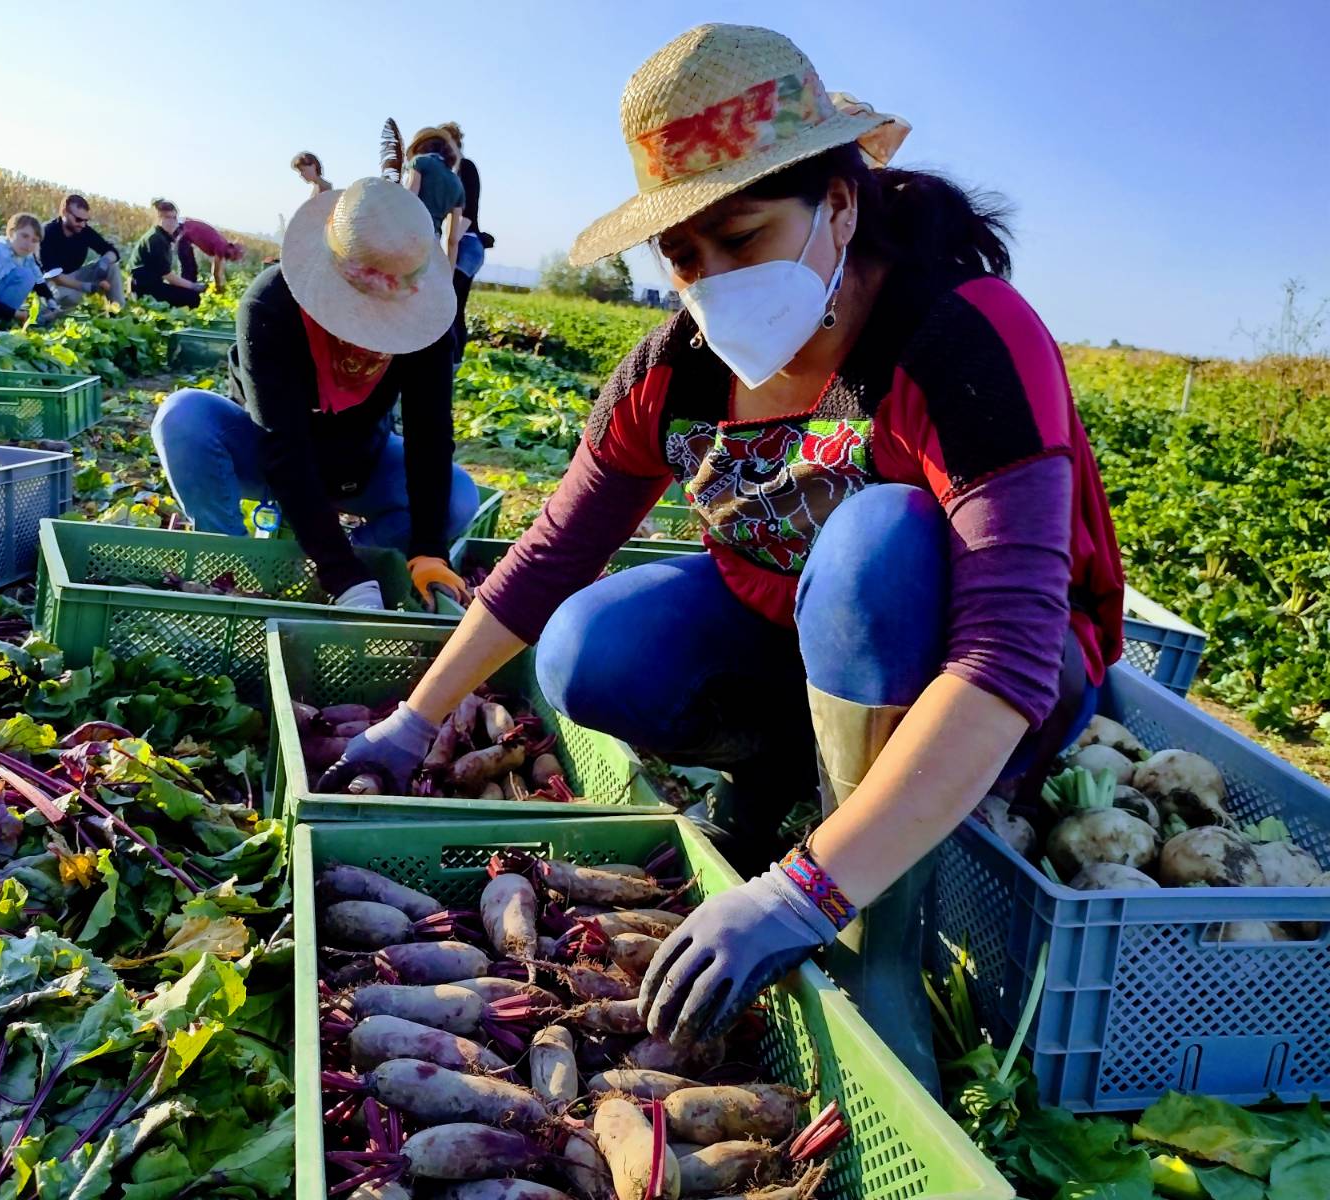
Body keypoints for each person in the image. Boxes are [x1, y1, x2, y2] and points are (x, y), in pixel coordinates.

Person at [318, 24, 1125, 1092]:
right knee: (589, 648)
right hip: (794, 655)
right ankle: (778, 779)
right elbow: (554, 552)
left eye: (743, 239)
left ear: (839, 204)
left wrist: (808, 895)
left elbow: (1005, 658)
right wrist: (414, 721)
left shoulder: (959, 339)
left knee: (876, 544)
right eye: (684, 257)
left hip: (982, 682)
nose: (713, 282)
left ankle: (875, 925)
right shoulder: (677, 372)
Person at [150, 177, 477, 611]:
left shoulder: (428, 326)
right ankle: (231, 566)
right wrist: (340, 574)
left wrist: (429, 550)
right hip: (266, 453)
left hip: (357, 463)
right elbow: (283, 444)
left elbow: (429, 436)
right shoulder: (272, 304)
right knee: (183, 417)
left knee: (458, 497)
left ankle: (357, 560)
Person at [438, 121, 491, 361]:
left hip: (467, 244)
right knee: (454, 306)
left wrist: (451, 243)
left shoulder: (466, 168)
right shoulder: (448, 174)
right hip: (457, 243)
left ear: (455, 142)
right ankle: (453, 361)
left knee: (451, 303)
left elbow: (469, 213)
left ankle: (453, 361)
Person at [38, 194, 123, 311]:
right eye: (78, 220)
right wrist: (88, 287)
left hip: (76, 276)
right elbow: (54, 276)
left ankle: (118, 311)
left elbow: (111, 251)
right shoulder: (47, 233)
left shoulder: (84, 231)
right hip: (52, 282)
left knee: (112, 267)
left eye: (85, 220)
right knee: (71, 298)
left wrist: (104, 262)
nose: (82, 224)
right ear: (64, 213)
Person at [404, 129, 466, 268]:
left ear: (420, 147)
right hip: (433, 245)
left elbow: (409, 200)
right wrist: (449, 274)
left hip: (412, 237)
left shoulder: (420, 162)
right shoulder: (457, 183)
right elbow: (453, 239)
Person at [128, 200, 202, 308]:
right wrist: (193, 286)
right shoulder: (156, 239)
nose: (171, 222)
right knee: (192, 297)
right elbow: (168, 276)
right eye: (167, 218)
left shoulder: (162, 237)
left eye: (174, 218)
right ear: (159, 218)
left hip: (152, 284)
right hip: (144, 288)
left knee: (184, 293)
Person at [173, 216, 245, 292]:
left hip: (184, 233)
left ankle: (186, 292)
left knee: (192, 270)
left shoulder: (222, 245)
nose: (232, 257)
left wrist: (219, 283)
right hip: (182, 232)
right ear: (231, 247)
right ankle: (183, 293)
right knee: (189, 271)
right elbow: (216, 272)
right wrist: (219, 287)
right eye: (234, 254)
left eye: (234, 258)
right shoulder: (221, 247)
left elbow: (219, 270)